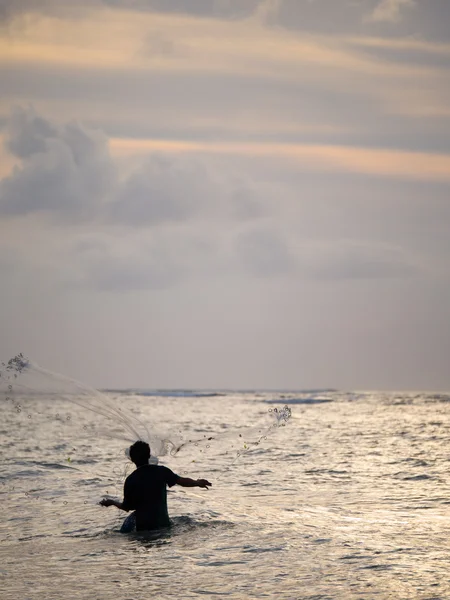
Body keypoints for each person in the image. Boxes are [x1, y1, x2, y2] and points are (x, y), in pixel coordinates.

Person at [99, 440, 211, 531]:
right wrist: (197, 483)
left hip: (143, 530)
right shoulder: (162, 471)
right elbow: (182, 481)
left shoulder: (131, 480)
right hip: (164, 526)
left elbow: (127, 507)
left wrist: (112, 502)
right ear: (149, 455)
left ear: (132, 459)